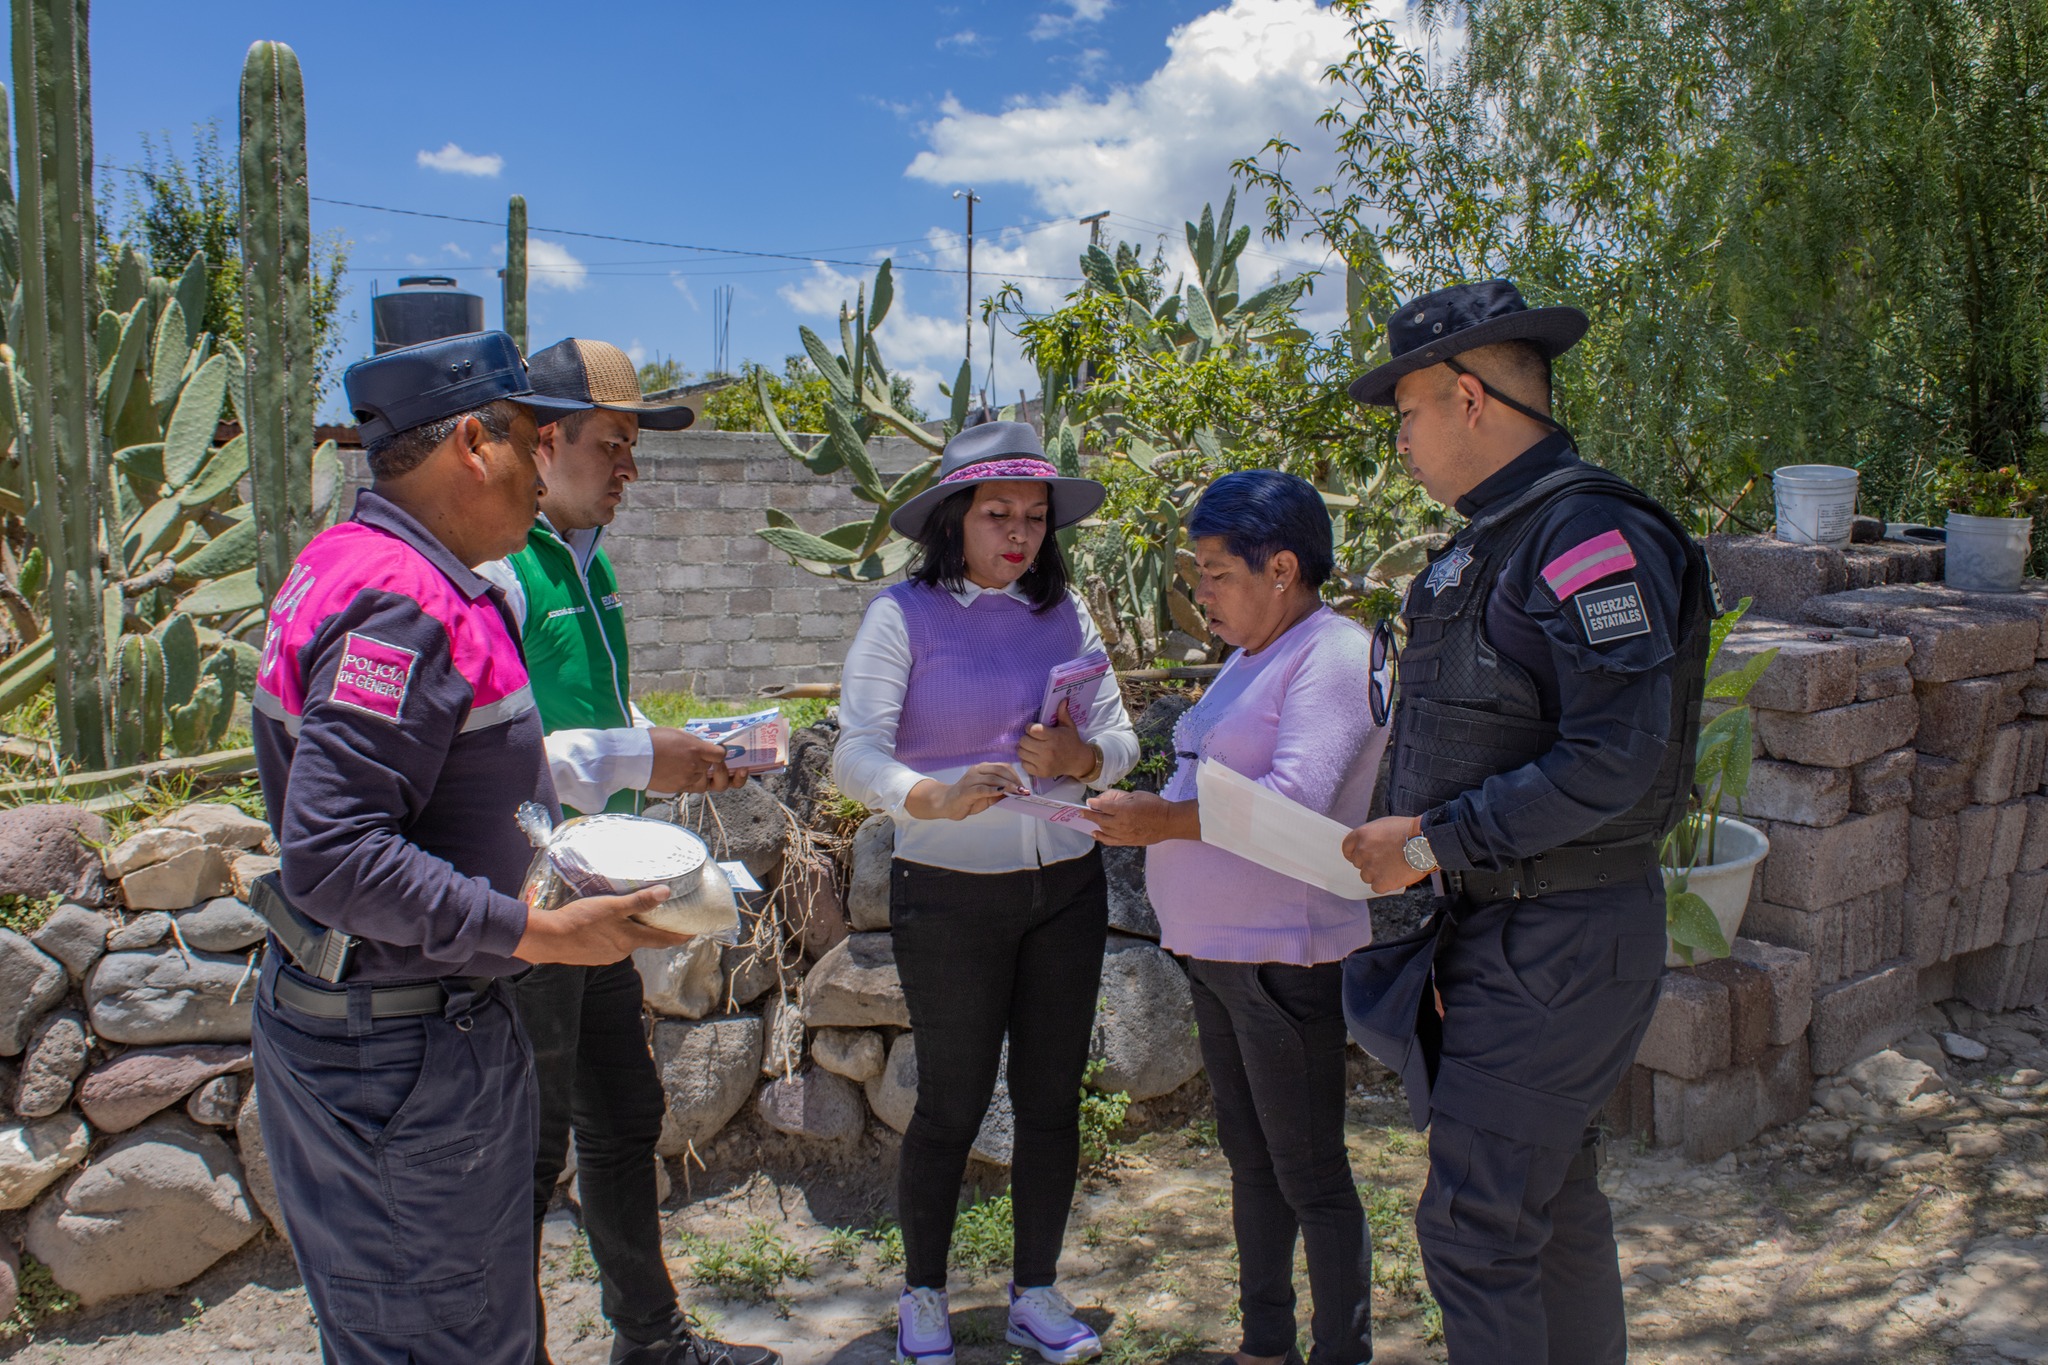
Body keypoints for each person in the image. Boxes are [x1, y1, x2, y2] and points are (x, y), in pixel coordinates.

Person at [248, 331, 694, 1365]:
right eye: (535, 438)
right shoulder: (397, 603)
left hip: (414, 1024)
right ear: (470, 443)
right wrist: (531, 932)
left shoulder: (392, 572)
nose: (549, 470)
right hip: (401, 1048)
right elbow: (336, 853)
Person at [1337, 281, 1712, 1364]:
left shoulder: (1584, 531)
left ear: (1465, 398)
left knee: (1477, 1229)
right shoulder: (1498, 536)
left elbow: (1614, 756)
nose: (1397, 444)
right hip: (1512, 935)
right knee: (1541, 1212)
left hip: (1560, 938)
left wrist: (1422, 847)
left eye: (1404, 416)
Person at [474, 337, 779, 1365]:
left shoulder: (586, 567)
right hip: (528, 904)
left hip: (592, 886)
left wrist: (675, 747)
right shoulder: (497, 574)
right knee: (530, 1144)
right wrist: (647, 754)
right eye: (613, 444)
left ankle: (649, 1343)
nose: (629, 468)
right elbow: (503, 756)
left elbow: (595, 712)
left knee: (624, 1110)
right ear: (545, 440)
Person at [831, 420, 1139, 1365]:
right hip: (949, 894)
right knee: (953, 1101)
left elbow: (1120, 743)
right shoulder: (903, 615)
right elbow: (853, 752)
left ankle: (1034, 1292)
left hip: (1065, 892)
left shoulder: (1068, 613)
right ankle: (923, 1293)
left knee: (1050, 1099)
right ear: (954, 519)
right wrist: (928, 795)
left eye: (1035, 517)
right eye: (997, 513)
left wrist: (1084, 757)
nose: (1019, 533)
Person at [1087, 469, 1391, 1365]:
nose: (1203, 591)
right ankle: (1266, 1344)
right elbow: (1206, 778)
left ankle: (1343, 1351)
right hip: (1222, 955)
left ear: (1283, 568)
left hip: (1282, 954)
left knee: (1309, 1172)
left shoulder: (1332, 654)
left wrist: (1162, 823)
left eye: (1218, 572)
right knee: (1253, 1161)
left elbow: (1291, 801)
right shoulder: (1254, 657)